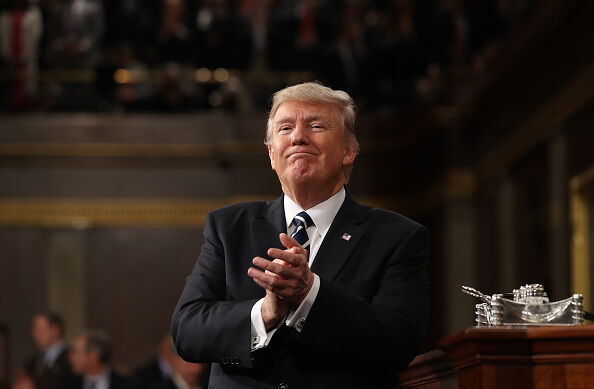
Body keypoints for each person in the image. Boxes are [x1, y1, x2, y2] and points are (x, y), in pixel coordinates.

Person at [171, 81, 429, 388]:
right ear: (271, 154)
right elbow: (188, 332)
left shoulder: (397, 237)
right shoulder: (228, 227)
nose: (298, 137)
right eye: (285, 128)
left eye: (316, 125)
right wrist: (264, 313)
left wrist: (311, 295)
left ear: (349, 151)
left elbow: (399, 341)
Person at [18, 312, 73, 389]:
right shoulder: (32, 360)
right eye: (34, 329)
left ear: (55, 330)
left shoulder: (71, 358)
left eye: (39, 328)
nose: (34, 333)